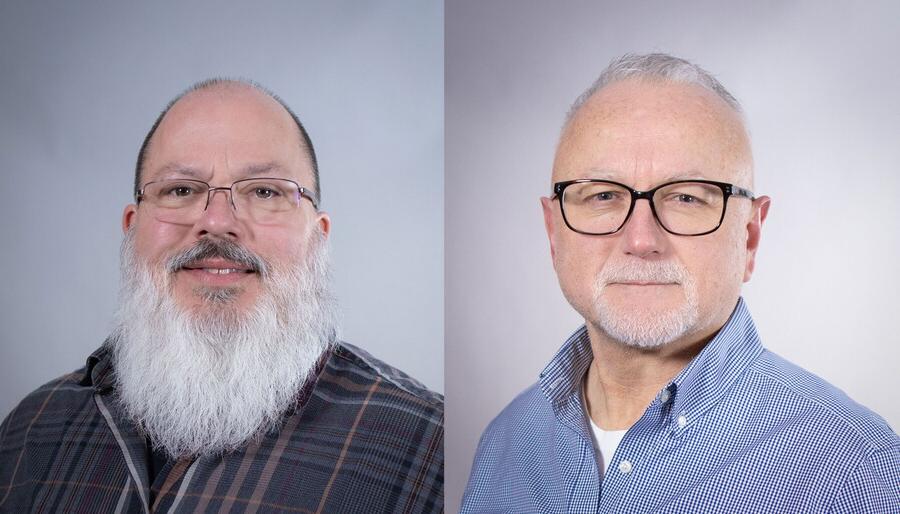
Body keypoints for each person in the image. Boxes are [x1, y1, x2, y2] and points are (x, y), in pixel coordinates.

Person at [461, 54, 898, 513]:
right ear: (554, 234)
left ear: (749, 236)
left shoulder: (859, 471)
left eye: (687, 197)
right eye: (604, 196)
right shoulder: (505, 442)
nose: (641, 239)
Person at [0, 79, 443, 513]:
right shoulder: (31, 428)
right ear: (132, 228)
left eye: (265, 191)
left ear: (318, 237)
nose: (216, 221)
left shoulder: (427, 445)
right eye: (181, 190)